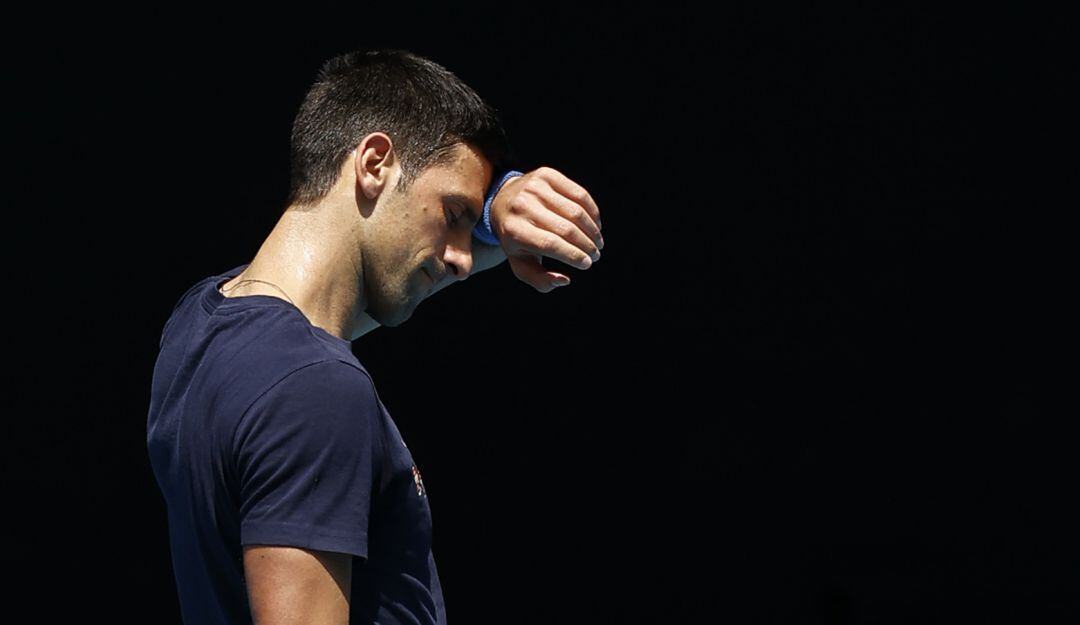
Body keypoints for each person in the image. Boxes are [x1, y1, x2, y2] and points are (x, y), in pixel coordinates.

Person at [145, 48, 604, 625]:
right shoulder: (315, 390)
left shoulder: (202, 320)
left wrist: (494, 206)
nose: (465, 259)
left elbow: (381, 294)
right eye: (453, 213)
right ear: (374, 163)